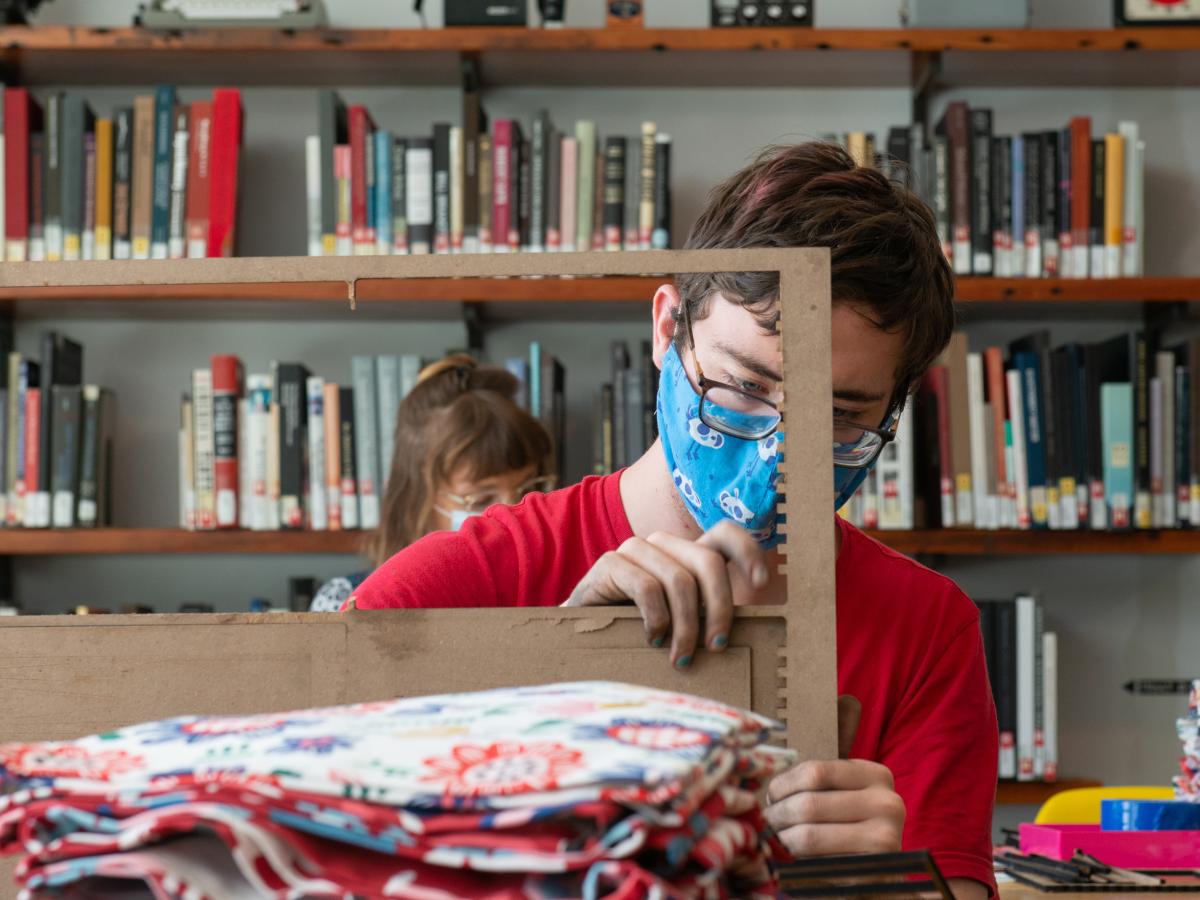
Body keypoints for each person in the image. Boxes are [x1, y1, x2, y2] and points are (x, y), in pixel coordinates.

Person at [344, 143, 998, 897]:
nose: (777, 456)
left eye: (840, 417)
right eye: (743, 386)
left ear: (896, 411)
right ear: (666, 328)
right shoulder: (458, 583)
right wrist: (538, 679)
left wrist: (889, 888)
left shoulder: (926, 631)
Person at [309, 354, 555, 611]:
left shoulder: (562, 595)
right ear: (418, 500)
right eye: (481, 499)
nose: (514, 513)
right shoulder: (347, 602)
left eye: (529, 487)